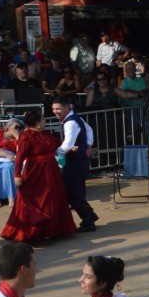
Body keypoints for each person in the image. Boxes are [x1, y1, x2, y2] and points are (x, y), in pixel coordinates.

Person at [2, 110, 75, 243]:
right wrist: (17, 175)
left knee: (53, 199)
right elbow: (20, 157)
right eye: (42, 119)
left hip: (51, 171)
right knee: (40, 201)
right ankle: (40, 232)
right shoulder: (26, 137)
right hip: (35, 172)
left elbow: (58, 143)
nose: (45, 121)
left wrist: (71, 146)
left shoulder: (46, 134)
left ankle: (54, 230)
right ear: (36, 123)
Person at [52, 98, 98, 233]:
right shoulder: (74, 117)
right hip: (79, 159)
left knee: (73, 192)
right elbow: (89, 130)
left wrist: (54, 154)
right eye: (54, 109)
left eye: (58, 109)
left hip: (76, 161)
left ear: (67, 108)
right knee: (76, 190)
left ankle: (88, 222)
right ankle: (91, 216)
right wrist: (88, 145)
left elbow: (67, 145)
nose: (56, 112)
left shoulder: (70, 122)